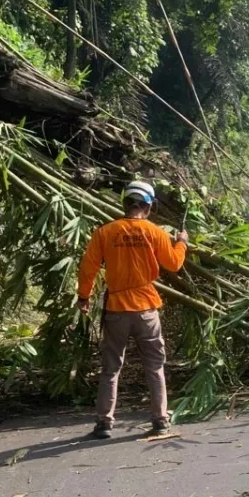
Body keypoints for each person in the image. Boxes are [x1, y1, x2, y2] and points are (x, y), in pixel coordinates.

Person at [76, 181, 187, 439]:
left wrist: (84, 297)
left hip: (116, 309)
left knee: (111, 366)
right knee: (154, 366)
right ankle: (160, 420)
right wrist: (181, 242)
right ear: (148, 207)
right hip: (147, 308)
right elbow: (174, 264)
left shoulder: (105, 232)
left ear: (125, 203)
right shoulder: (155, 232)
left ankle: (104, 422)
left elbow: (88, 268)